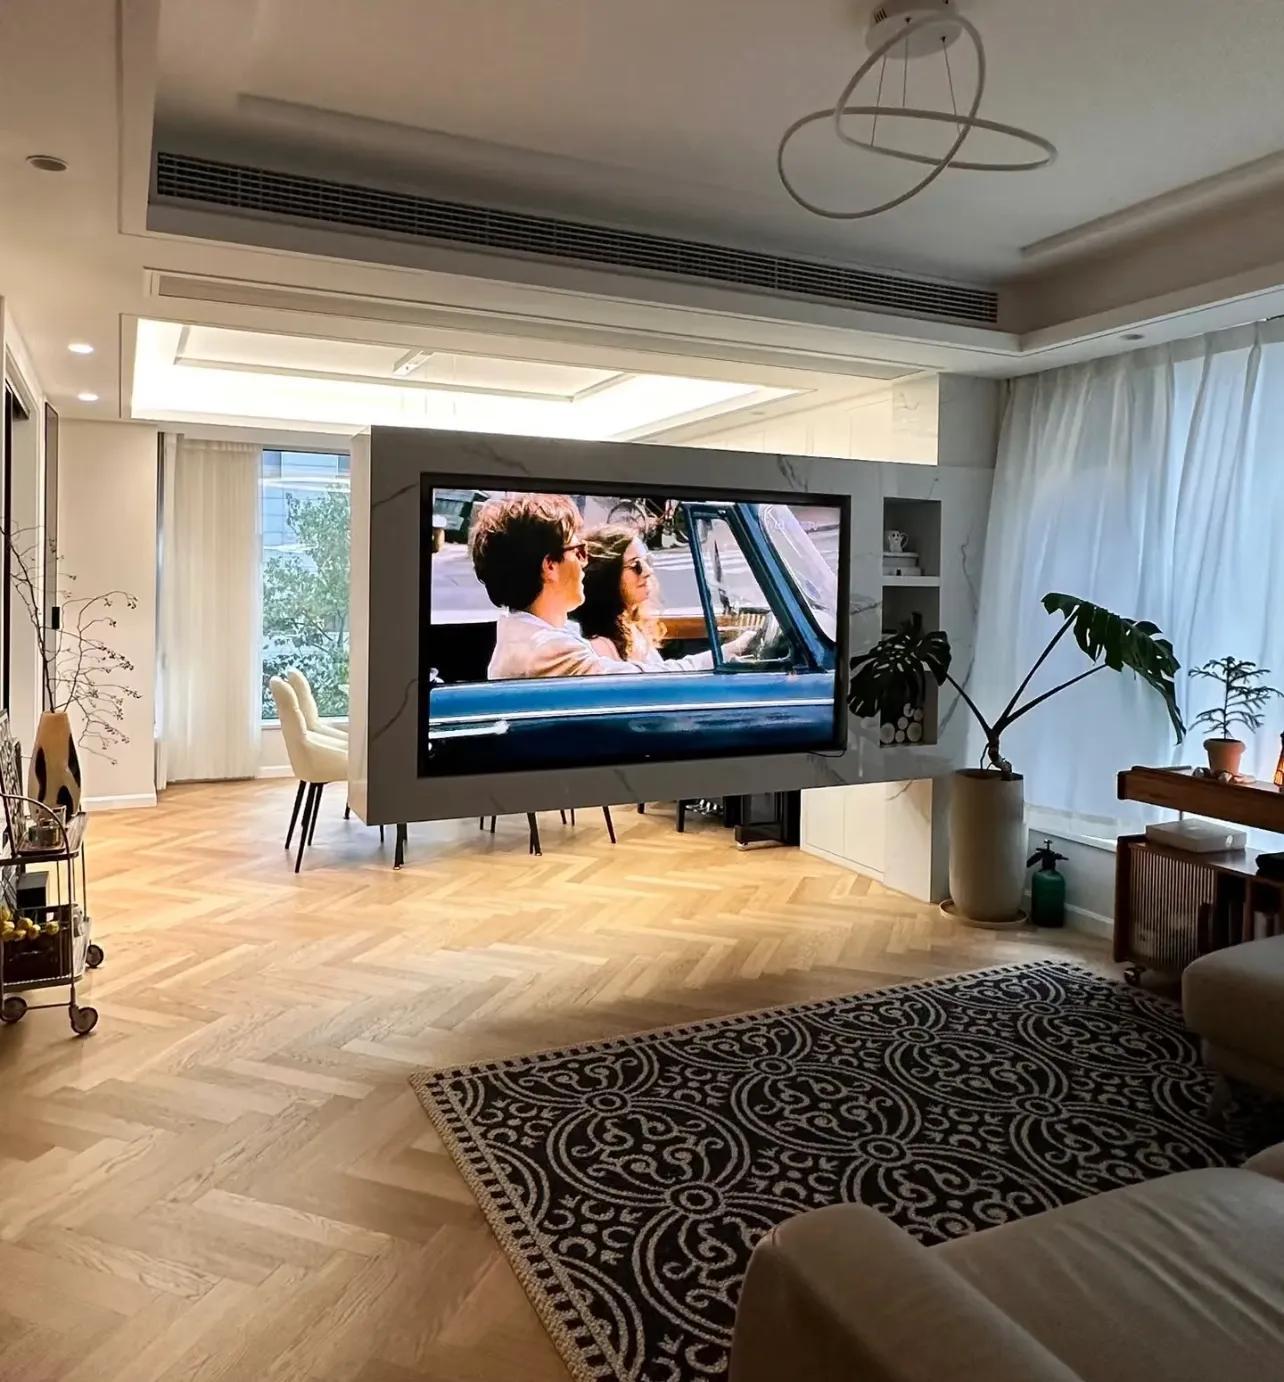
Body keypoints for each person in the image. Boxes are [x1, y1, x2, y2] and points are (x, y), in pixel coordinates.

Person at [468, 493, 644, 679]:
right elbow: (635, 682)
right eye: (578, 551)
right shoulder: (546, 650)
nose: (584, 562)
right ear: (550, 566)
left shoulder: (524, 637)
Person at [578, 524, 757, 670]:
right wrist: (725, 652)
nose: (648, 571)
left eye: (648, 561)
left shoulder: (629, 625)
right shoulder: (601, 646)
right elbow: (654, 680)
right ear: (607, 578)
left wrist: (729, 651)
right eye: (636, 565)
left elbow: (663, 672)